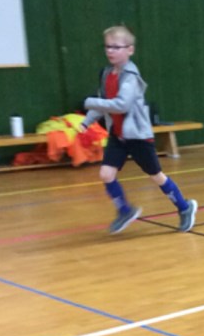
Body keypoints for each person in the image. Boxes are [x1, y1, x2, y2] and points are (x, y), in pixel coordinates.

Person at [79, 26, 197, 234]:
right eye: (107, 46)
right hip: (118, 136)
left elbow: (121, 105)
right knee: (106, 174)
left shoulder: (131, 77)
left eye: (116, 47)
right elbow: (103, 102)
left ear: (130, 50)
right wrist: (87, 122)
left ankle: (185, 207)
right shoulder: (106, 74)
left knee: (156, 176)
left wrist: (88, 102)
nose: (110, 51)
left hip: (138, 137)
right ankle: (125, 211)